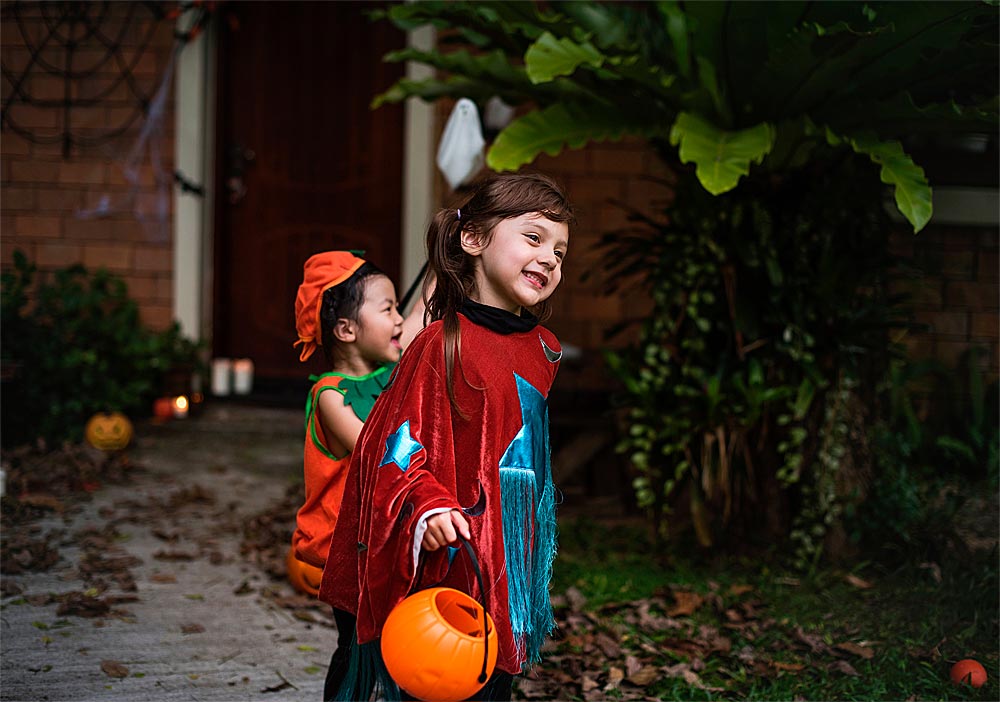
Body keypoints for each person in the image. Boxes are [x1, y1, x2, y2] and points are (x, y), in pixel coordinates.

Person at [320, 172, 575, 701]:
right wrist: (429, 507)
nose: (550, 258)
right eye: (533, 238)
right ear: (474, 239)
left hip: (506, 551)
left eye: (560, 250)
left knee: (490, 671)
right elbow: (393, 443)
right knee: (434, 675)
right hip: (448, 545)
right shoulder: (442, 344)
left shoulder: (544, 348)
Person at [289, 251, 427, 701]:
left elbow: (421, 316)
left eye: (396, 308)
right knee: (356, 644)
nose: (399, 320)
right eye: (387, 309)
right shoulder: (330, 394)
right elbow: (376, 449)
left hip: (384, 540)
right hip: (348, 547)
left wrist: (447, 257)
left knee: (395, 640)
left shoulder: (393, 373)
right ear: (346, 330)